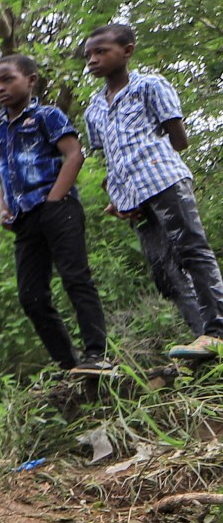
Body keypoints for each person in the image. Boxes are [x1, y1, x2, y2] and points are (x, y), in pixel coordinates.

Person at [81, 22, 223, 360]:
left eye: (102, 51)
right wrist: (116, 195)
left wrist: (149, 160)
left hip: (164, 181)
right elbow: (110, 157)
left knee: (191, 250)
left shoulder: (149, 86)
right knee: (164, 271)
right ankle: (202, 341)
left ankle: (218, 331)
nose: (93, 60)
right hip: (131, 197)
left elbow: (180, 139)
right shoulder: (94, 109)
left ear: (127, 51)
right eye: (88, 55)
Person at [0, 54, 110, 373]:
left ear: (30, 80)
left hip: (59, 208)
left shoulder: (47, 116)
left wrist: (55, 200)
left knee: (75, 278)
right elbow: (2, 175)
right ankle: (68, 365)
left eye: (8, 79)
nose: (0, 88)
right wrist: (3, 208)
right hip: (24, 220)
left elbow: (74, 155)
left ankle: (97, 355)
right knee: (31, 297)